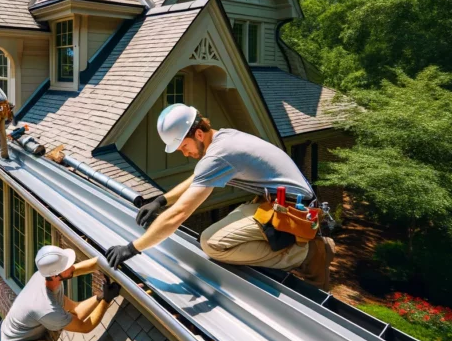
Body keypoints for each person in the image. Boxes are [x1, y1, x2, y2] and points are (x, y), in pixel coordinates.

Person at [106, 104, 335, 289]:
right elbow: (198, 178)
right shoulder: (222, 138)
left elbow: (180, 214)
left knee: (211, 243)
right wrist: (160, 201)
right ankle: (286, 246)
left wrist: (132, 248)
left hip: (294, 213)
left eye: (184, 146)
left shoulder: (219, 154)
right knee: (222, 232)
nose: (184, 153)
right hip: (277, 202)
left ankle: (302, 253)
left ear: (198, 133)